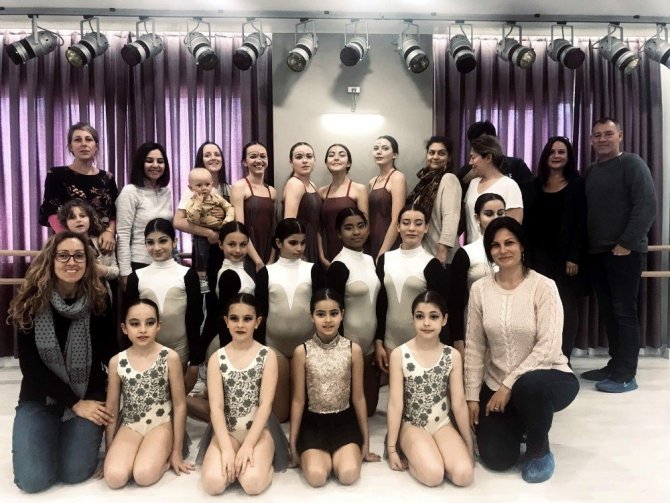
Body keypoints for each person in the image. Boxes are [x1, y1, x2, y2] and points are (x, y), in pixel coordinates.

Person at [465, 217, 578, 483]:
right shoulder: (480, 289)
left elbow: (549, 346)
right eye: (495, 245)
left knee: (529, 386)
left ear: (522, 246)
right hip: (496, 383)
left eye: (509, 243)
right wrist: (472, 397)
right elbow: (474, 345)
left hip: (547, 377)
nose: (502, 250)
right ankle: (522, 423)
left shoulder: (544, 286)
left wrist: (508, 385)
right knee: (497, 459)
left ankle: (539, 448)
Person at [8, 232, 117, 493]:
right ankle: (47, 431)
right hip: (40, 397)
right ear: (51, 259)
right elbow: (31, 368)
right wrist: (74, 403)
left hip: (88, 393)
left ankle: (64, 435)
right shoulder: (31, 301)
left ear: (88, 261)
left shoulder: (99, 299)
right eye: (63, 255)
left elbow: (110, 353)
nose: (71, 262)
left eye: (79, 256)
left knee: (75, 473)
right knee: (33, 480)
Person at [581, 118, 656, 393]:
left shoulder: (632, 163)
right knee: (609, 313)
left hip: (625, 252)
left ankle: (626, 374)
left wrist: (626, 243)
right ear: (591, 140)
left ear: (620, 136)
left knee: (624, 313)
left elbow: (646, 205)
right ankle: (614, 365)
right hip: (597, 254)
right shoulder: (591, 171)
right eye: (597, 135)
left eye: (608, 134)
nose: (602, 139)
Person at [289, 288, 380, 487]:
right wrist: (293, 445)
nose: (328, 320)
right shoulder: (302, 352)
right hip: (313, 424)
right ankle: (315, 455)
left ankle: (344, 453)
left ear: (342, 314)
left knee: (348, 475)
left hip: (344, 423)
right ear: (311, 316)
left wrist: (366, 443)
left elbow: (358, 398)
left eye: (334, 313)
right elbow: (298, 400)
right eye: (321, 314)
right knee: (316, 477)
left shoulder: (353, 350)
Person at [386, 291, 473, 487]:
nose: (426, 323)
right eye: (420, 316)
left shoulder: (452, 355)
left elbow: (459, 403)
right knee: (434, 475)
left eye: (433, 317)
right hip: (412, 424)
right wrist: (391, 448)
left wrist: (468, 443)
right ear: (413, 319)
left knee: (464, 475)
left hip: (442, 424)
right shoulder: (400, 354)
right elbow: (395, 404)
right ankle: (415, 452)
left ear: (444, 319)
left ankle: (438, 455)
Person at [103, 299, 193, 488]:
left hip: (161, 423)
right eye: (135, 324)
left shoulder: (170, 357)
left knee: (144, 475)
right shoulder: (116, 362)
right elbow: (111, 408)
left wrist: (176, 452)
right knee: (114, 478)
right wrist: (109, 451)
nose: (143, 330)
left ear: (158, 326)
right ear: (124, 328)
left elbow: (180, 405)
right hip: (131, 424)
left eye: (150, 323)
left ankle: (161, 457)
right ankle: (133, 456)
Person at [201, 293, 279, 496]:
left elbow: (265, 405)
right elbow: (216, 407)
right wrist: (226, 448)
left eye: (247, 319)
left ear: (257, 322)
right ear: (226, 321)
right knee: (212, 484)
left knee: (252, 485)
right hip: (227, 431)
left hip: (258, 432)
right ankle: (233, 458)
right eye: (234, 318)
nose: (240, 324)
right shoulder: (217, 358)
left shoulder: (267, 356)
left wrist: (249, 446)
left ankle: (264, 465)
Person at [524, 137, 587, 360]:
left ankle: (564, 357)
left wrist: (574, 257)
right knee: (541, 307)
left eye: (561, 152)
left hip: (566, 259)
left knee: (566, 307)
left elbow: (581, 223)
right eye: (552, 152)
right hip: (539, 258)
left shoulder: (577, 184)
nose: (556, 156)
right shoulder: (534, 185)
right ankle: (543, 355)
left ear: (568, 157)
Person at [255, 218, 325, 422]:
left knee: (304, 414)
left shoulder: (313, 269)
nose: (299, 248)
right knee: (280, 416)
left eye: (302, 243)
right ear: (278, 243)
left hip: (306, 346)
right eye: (293, 243)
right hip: (274, 346)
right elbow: (260, 315)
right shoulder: (266, 273)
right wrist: (258, 349)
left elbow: (322, 311)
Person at [125, 218, 203, 391]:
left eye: (163, 241)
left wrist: (195, 361)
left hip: (180, 351)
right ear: (145, 244)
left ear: (174, 241)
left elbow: (195, 319)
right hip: (144, 351)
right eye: (150, 242)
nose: (157, 247)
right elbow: (130, 322)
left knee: (176, 398)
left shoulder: (187, 275)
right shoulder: (136, 277)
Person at [374, 204, 448, 374]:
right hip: (390, 342)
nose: (412, 228)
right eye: (406, 223)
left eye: (418, 223)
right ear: (398, 226)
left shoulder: (432, 265)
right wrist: (378, 341)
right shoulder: (385, 260)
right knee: (394, 389)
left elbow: (440, 312)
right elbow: (380, 304)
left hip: (423, 344)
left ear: (426, 227)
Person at [327, 208, 381, 415]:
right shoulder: (338, 266)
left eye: (361, 226)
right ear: (339, 233)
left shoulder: (370, 260)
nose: (356, 232)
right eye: (349, 228)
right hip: (348, 344)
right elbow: (332, 313)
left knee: (369, 410)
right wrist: (338, 350)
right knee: (349, 411)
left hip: (370, 344)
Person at [39, 122, 119, 253]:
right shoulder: (56, 175)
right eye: (77, 140)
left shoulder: (107, 178)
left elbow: (114, 213)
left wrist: (110, 232)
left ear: (96, 146)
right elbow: (51, 212)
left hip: (102, 246)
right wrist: (72, 241)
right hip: (68, 245)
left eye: (88, 139)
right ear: (70, 146)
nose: (84, 144)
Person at [449, 193, 506, 355]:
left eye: (500, 213)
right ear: (477, 217)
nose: (496, 218)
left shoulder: (516, 252)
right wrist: (458, 340)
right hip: (473, 330)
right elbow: (455, 302)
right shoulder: (466, 253)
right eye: (489, 214)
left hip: (508, 329)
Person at [174, 141, 231, 291]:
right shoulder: (192, 191)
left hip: (225, 248)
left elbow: (234, 216)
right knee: (203, 288)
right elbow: (178, 221)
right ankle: (204, 294)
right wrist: (209, 233)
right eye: (207, 155)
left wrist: (224, 214)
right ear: (201, 160)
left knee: (222, 288)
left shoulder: (228, 188)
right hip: (203, 246)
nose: (213, 158)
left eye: (217, 154)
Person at [115, 142, 173, 289]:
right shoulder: (130, 191)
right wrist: (125, 273)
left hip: (164, 263)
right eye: (149, 161)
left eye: (160, 161)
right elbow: (123, 234)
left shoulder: (166, 192)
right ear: (141, 163)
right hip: (139, 263)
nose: (155, 165)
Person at [407, 136, 462, 265]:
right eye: (431, 153)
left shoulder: (449, 179)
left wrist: (442, 253)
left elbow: (451, 217)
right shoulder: (424, 183)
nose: (435, 157)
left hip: (442, 256)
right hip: (424, 253)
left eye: (441, 153)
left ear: (449, 157)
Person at [456, 120, 534, 204]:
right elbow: (456, 200)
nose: (481, 146)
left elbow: (530, 197)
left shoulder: (516, 165)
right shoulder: (467, 170)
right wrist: (466, 180)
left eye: (485, 141)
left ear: (496, 139)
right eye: (475, 144)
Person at [463, 134, 523, 243]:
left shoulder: (509, 185)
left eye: (473, 157)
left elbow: (514, 228)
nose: (470, 162)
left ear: (488, 158)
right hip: (472, 249)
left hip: (496, 249)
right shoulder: (473, 183)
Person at [318, 143, 369, 268]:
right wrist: (321, 255)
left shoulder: (359, 189)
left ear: (348, 163)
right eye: (331, 155)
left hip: (354, 251)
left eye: (341, 155)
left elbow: (366, 225)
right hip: (329, 250)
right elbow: (319, 228)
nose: (336, 158)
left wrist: (358, 253)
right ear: (326, 163)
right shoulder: (322, 192)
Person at [185, 167, 235, 292]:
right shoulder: (192, 202)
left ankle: (220, 284)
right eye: (199, 185)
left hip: (220, 232)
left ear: (212, 184)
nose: (204, 188)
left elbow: (229, 208)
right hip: (201, 235)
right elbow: (192, 218)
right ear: (191, 188)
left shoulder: (216, 197)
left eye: (207, 184)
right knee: (201, 259)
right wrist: (198, 203)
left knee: (221, 261)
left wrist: (226, 222)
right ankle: (203, 284)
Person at [230, 141, 277, 269]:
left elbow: (274, 229)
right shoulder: (239, 187)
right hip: (246, 252)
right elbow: (239, 228)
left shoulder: (272, 192)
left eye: (263, 156)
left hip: (268, 250)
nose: (259, 160)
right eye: (253, 156)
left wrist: (271, 259)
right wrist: (258, 261)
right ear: (244, 162)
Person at [58, 199, 119, 292]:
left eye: (82, 216)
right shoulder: (62, 245)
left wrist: (103, 271)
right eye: (72, 218)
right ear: (65, 223)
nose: (78, 220)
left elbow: (116, 271)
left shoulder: (103, 241)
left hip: (101, 294)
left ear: (90, 219)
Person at [367, 135, 407, 260]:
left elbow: (396, 219)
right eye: (376, 148)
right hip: (372, 238)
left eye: (385, 148)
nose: (379, 152)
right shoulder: (372, 182)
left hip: (390, 240)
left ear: (394, 154)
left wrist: (383, 252)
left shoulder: (397, 177)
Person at [283, 142, 321, 263]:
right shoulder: (295, 184)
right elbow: (289, 224)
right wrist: (297, 252)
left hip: (312, 241)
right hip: (299, 246)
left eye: (309, 156)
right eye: (299, 157)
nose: (305, 161)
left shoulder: (312, 185)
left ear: (314, 160)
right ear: (291, 162)